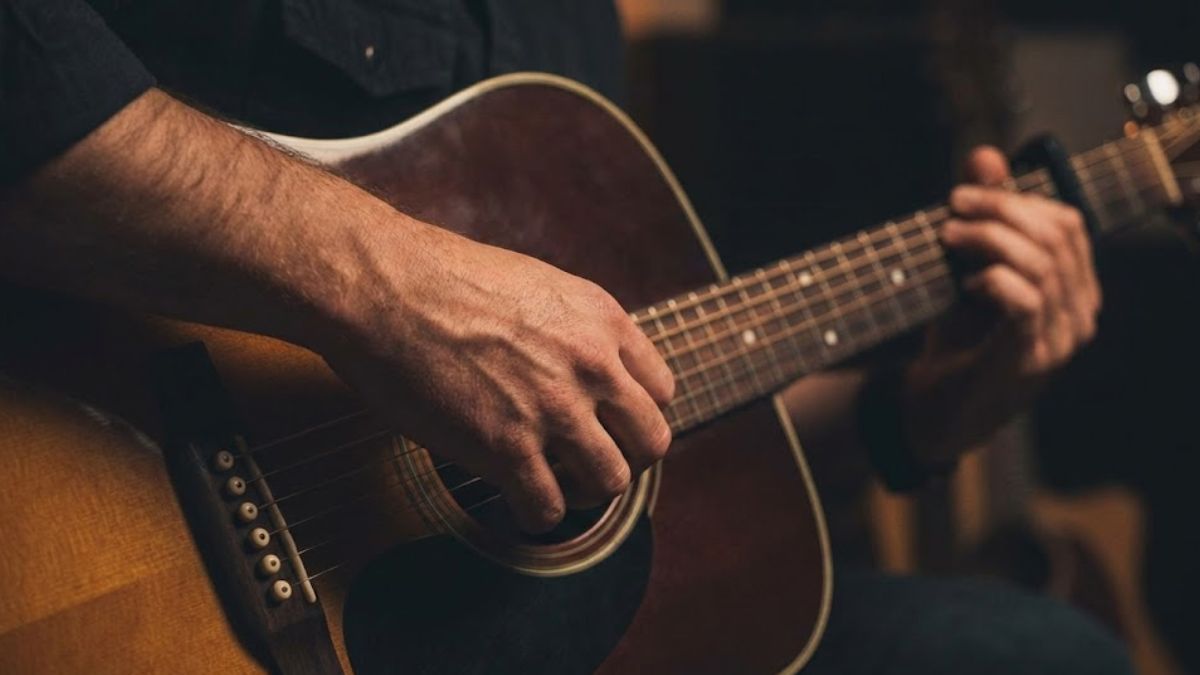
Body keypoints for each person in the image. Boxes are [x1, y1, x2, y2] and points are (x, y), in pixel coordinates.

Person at [0, 0, 1131, 672]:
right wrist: (389, 293)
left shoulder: (574, 20)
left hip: (498, 629)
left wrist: (916, 411)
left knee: (1033, 654)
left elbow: (622, 406)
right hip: (106, 500)